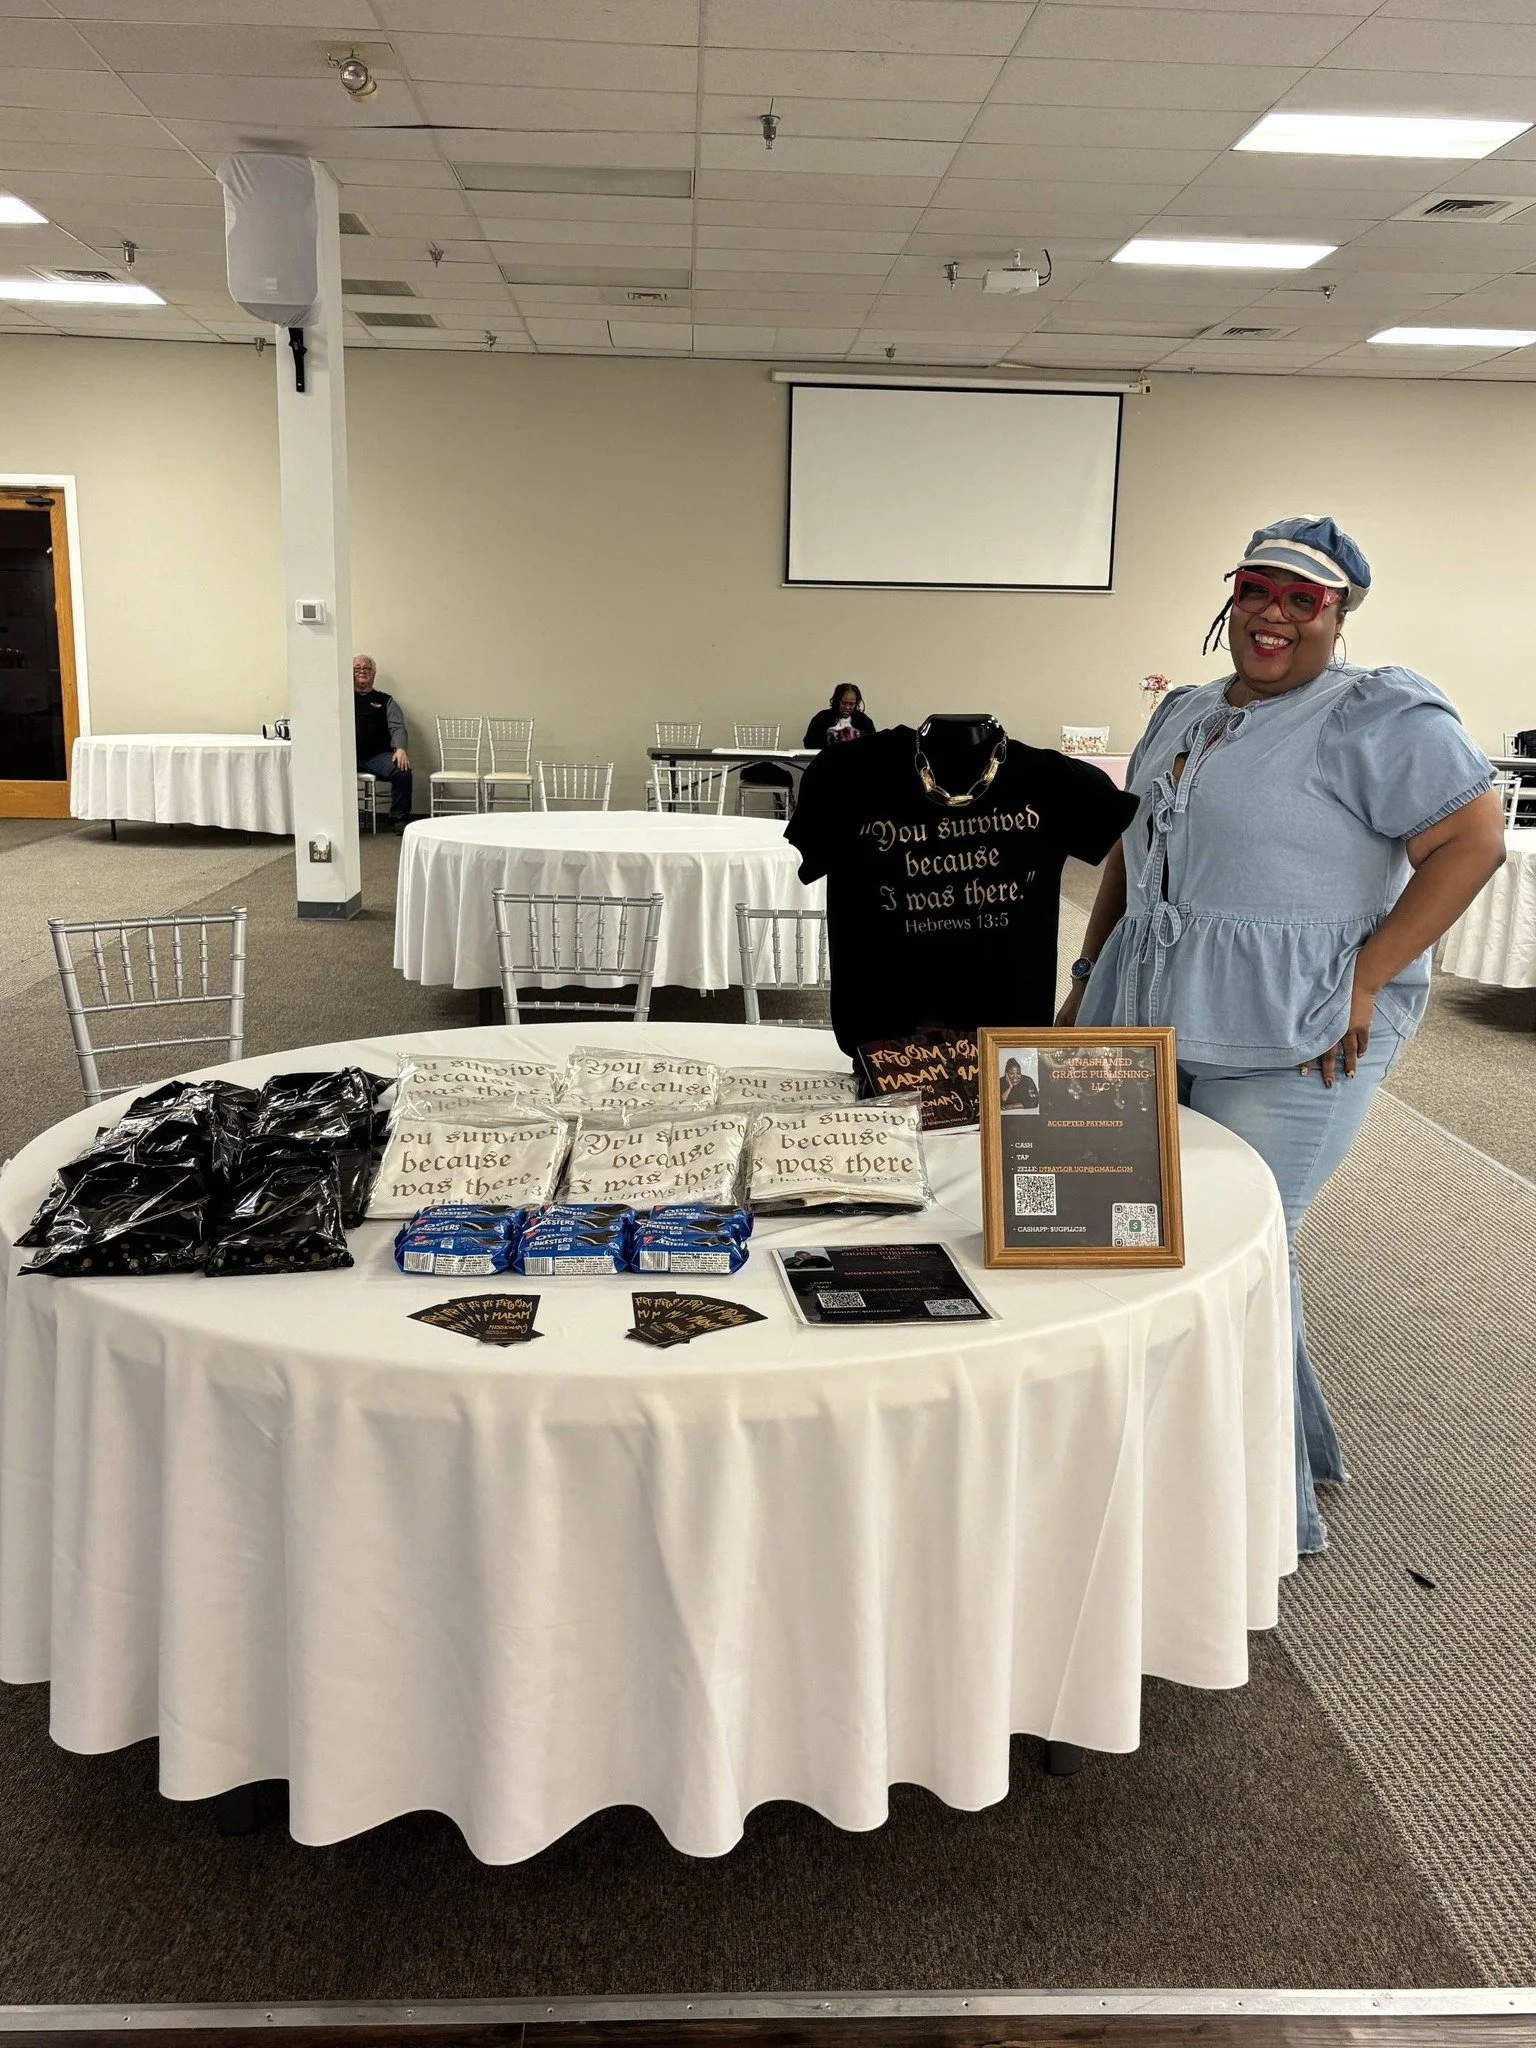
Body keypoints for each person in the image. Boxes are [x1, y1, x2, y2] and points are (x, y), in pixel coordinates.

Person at [1060, 515, 1504, 1555]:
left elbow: (1472, 842)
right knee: (1141, 1235)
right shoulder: (1183, 711)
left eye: (1303, 599)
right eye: (1257, 589)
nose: (1273, 614)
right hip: (1148, 1004)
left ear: (1339, 612)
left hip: (1301, 1026)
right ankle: (1235, 1458)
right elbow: (1134, 856)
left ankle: (1255, 1511)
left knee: (1243, 1245)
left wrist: (1365, 975)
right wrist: (1086, 975)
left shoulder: (1379, 712)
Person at [352, 654, 412, 830]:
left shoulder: (386, 701)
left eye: (367, 668)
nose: (362, 671)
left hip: (376, 757)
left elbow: (398, 727)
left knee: (402, 769)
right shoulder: (340, 698)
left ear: (374, 674)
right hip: (345, 757)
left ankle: (399, 817)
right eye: (357, 668)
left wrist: (400, 749)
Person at [804, 684, 876, 750]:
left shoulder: (864, 721)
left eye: (851, 704)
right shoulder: (822, 718)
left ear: (856, 703)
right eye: (844, 703)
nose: (847, 707)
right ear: (837, 701)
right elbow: (809, 743)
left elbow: (872, 746)